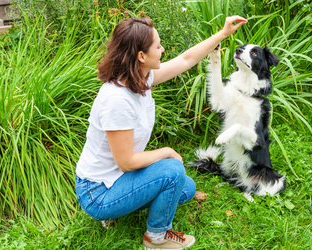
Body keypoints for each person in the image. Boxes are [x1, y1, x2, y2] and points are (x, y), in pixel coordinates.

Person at [75, 15, 247, 250]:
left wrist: (223, 33)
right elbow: (126, 162)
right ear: (141, 56)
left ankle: (125, 205)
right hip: (98, 192)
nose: (163, 48)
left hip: (118, 178)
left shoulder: (141, 78)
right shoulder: (117, 100)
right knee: (172, 171)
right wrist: (166, 151)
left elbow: (186, 59)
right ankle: (155, 238)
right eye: (158, 45)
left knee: (185, 189)